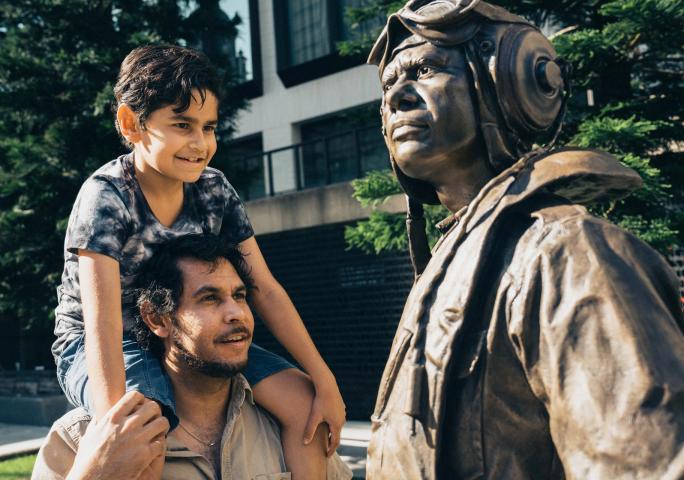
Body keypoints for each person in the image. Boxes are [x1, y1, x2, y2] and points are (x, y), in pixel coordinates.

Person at [364, 1, 684, 478]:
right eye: (389, 85)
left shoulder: (568, 252)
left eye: (426, 70)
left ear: (507, 82)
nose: (397, 97)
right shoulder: (452, 257)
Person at [53, 44, 344, 479]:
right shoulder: (107, 198)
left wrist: (324, 378)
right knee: (141, 430)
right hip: (98, 340)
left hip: (182, 333)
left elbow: (264, 287)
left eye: (209, 127)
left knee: (305, 404)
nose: (200, 143)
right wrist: (115, 419)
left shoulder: (214, 191)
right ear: (131, 123)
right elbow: (102, 323)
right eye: (182, 125)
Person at [34, 234, 352, 479]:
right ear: (157, 319)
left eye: (239, 296)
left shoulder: (294, 422)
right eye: (209, 298)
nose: (236, 314)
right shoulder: (81, 438)